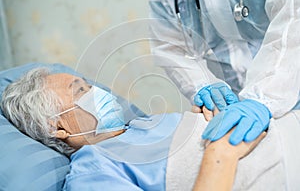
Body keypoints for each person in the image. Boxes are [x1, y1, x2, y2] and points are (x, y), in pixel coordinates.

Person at [1, 67, 273, 190]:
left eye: (89, 84)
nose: (97, 91)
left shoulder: (144, 124)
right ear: (56, 126)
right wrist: (221, 155)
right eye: (80, 90)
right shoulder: (93, 172)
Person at [148, 0, 300, 145]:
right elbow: (171, 48)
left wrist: (264, 98)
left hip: (287, 87)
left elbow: (294, 21)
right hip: (223, 102)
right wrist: (202, 84)